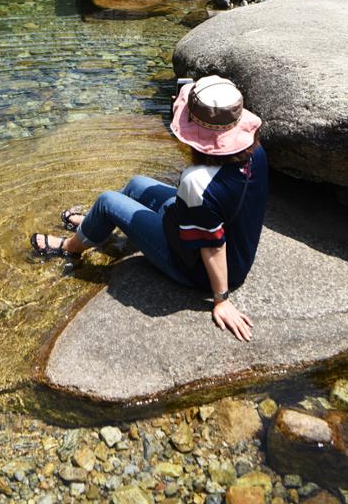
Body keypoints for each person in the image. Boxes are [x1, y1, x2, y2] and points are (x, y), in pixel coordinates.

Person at [30, 75, 268, 341]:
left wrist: (221, 299)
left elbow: (213, 246)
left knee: (107, 201)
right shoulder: (255, 151)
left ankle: (68, 248)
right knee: (136, 184)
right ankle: (94, 226)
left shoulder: (197, 183)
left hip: (195, 268)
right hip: (234, 247)